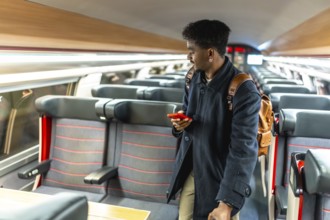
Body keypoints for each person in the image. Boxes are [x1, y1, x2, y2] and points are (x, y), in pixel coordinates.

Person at [166, 19, 261, 220]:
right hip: (193, 167)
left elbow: (243, 149)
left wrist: (227, 203)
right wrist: (181, 125)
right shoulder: (192, 77)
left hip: (222, 176)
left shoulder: (243, 90)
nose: (188, 56)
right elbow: (189, 114)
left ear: (210, 53)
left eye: (192, 51)